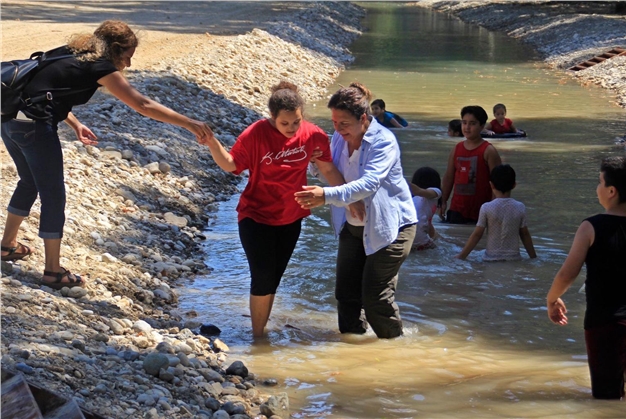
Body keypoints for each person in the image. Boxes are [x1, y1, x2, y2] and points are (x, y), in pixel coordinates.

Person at [0, 20, 214, 289]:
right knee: (53, 194)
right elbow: (142, 104)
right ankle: (53, 271)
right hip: (34, 128)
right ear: (115, 50)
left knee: (29, 182)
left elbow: (44, 91)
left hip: (9, 122)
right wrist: (190, 123)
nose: (129, 64)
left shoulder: (70, 51)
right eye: (127, 57)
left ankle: (7, 246)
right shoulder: (100, 65)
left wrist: (76, 124)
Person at [201, 81, 347, 338]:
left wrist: (351, 198)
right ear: (272, 118)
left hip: (291, 218)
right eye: (285, 124)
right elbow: (231, 164)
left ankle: (262, 332)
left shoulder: (313, 135)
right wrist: (213, 143)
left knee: (274, 279)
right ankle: (258, 338)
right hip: (255, 215)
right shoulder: (256, 133)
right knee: (263, 277)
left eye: (296, 122)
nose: (291, 129)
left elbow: (327, 170)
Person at [295, 82, 417, 339]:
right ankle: (352, 351)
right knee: (346, 298)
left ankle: (395, 352)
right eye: (334, 123)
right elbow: (328, 167)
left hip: (391, 227)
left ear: (363, 119)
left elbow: (369, 183)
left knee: (375, 300)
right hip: (353, 225)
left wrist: (326, 196)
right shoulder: (340, 138)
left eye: (343, 124)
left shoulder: (384, 142)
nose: (337, 130)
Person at [546, 156, 626, 399]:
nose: (597, 187)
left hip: (606, 324)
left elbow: (568, 273)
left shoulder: (590, 227)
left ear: (611, 191)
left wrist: (552, 299)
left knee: (607, 400)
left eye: (599, 182)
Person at [456, 164, 536, 260]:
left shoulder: (486, 207)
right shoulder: (520, 207)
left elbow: (477, 234)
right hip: (514, 258)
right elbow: (525, 234)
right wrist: (533, 257)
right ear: (514, 185)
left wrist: (461, 256)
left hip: (490, 258)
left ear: (491, 184)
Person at [440, 105, 502, 224]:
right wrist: (443, 201)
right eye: (464, 122)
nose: (467, 127)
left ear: (482, 126)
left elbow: (498, 183)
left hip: (482, 210)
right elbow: (449, 178)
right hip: (456, 209)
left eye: (472, 123)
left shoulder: (488, 150)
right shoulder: (456, 149)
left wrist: (494, 209)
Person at [409, 167, 442, 251]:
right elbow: (420, 192)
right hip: (419, 238)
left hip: (403, 237)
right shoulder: (436, 192)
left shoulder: (410, 198)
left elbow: (427, 223)